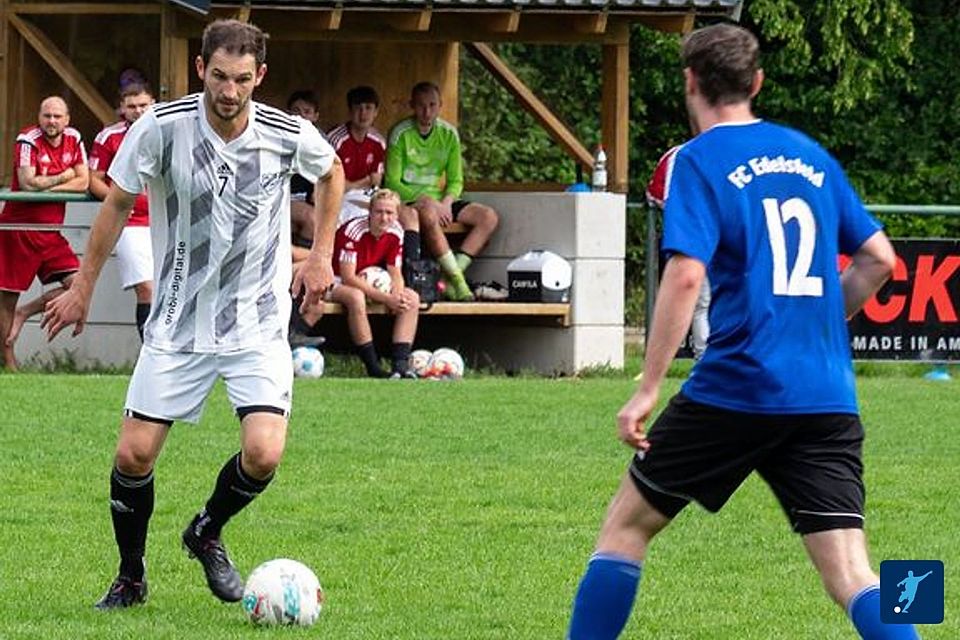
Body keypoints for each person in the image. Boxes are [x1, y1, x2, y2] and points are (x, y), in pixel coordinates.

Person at [567, 23, 915, 640]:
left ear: (690, 82)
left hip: (737, 387)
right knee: (856, 573)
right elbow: (881, 260)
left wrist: (647, 389)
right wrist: (815, 325)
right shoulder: (810, 155)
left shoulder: (696, 161)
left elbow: (684, 275)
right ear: (756, 82)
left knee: (625, 529)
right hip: (826, 394)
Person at [42, 19, 344, 610]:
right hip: (178, 320)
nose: (229, 91)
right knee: (133, 454)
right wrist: (82, 286)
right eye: (220, 77)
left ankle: (206, 529)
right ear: (201, 70)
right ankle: (131, 576)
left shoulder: (287, 133)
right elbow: (118, 203)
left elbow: (331, 172)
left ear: (260, 77)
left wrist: (322, 255)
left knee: (264, 453)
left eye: (243, 79)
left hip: (255, 321)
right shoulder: (159, 128)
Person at [385, 81, 499, 302]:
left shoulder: (449, 133)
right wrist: (427, 200)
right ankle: (459, 282)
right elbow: (392, 183)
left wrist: (446, 202)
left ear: (440, 106)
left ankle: (450, 277)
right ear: (411, 106)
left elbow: (456, 180)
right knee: (428, 211)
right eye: (420, 106)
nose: (427, 112)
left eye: (432, 105)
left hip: (441, 202)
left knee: (488, 217)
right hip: (411, 201)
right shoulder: (400, 133)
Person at [0, 96, 89, 370]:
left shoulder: (74, 138)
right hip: (20, 230)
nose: (52, 121)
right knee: (6, 300)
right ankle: (7, 361)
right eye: (47, 116)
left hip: (51, 233)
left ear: (67, 119)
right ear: (39, 117)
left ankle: (25, 313)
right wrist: (64, 177)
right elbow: (27, 183)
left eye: (57, 116)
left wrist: (45, 186)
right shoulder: (27, 139)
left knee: (79, 286)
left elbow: (84, 181)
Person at [297, 188, 419, 378]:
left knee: (411, 298)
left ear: (396, 215)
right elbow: (348, 277)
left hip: (364, 281)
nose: (384, 218)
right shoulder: (354, 230)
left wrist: (398, 294)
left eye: (389, 213)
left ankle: (400, 367)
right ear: (370, 212)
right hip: (332, 278)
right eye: (379, 212)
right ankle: (373, 367)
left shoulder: (396, 232)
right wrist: (387, 299)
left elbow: (395, 271)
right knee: (355, 297)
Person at [88, 81, 156, 341]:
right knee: (147, 289)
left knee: (166, 290)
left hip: (165, 222)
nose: (138, 111)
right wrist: (121, 201)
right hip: (130, 224)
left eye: (143, 105)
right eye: (132, 106)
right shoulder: (109, 137)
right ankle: (149, 350)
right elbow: (94, 180)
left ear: (153, 104)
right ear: (122, 109)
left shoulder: (166, 131)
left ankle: (167, 354)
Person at [646, 144, 710, 359]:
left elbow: (654, 195)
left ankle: (703, 356)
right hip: (727, 239)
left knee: (699, 303)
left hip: (690, 239)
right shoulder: (731, 150)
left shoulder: (677, 156)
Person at [286, 89, 323, 246]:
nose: (301, 116)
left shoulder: (321, 142)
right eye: (296, 111)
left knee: (318, 218)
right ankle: (295, 264)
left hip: (305, 199)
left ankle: (298, 265)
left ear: (315, 116)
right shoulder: (279, 137)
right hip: (283, 198)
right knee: (311, 217)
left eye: (307, 112)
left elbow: (326, 176)